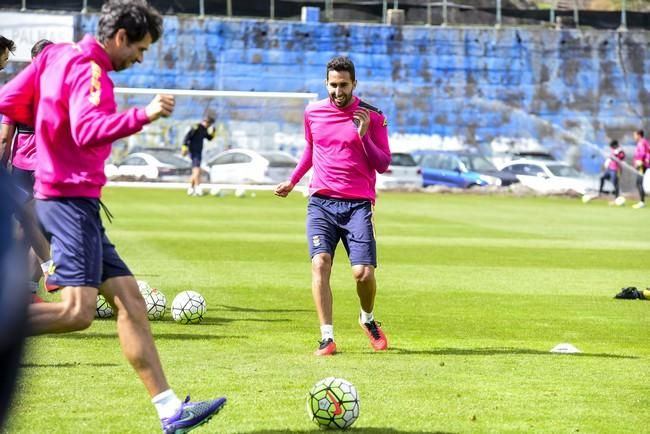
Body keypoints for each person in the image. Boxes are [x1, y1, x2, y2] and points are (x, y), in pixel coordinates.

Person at [0, 1, 226, 432]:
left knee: (130, 301)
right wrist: (145, 114)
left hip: (70, 199)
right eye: (139, 48)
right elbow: (87, 130)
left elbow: (9, 99)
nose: (140, 58)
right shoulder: (92, 72)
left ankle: (170, 410)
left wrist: (50, 125)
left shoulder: (55, 55)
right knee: (76, 312)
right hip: (69, 202)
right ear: (120, 37)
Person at [275, 56, 391, 356]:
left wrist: (364, 137)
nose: (338, 91)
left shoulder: (373, 116)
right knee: (320, 262)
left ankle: (367, 318)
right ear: (326, 83)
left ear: (355, 84)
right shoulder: (313, 112)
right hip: (321, 203)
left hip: (358, 205)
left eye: (343, 85)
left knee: (363, 274)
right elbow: (312, 150)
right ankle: (327, 337)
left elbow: (383, 165)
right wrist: (292, 181)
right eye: (333, 85)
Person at [1, 39, 56, 302]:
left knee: (28, 225)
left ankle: (29, 287)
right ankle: (43, 274)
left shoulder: (17, 90)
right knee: (37, 227)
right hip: (50, 171)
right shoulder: (61, 92)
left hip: (21, 169)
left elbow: (4, 139)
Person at [181, 115, 215, 196]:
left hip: (198, 152)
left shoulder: (204, 130)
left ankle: (191, 188)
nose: (208, 125)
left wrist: (213, 132)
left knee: (195, 170)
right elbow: (187, 137)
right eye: (208, 124)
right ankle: (198, 187)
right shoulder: (196, 127)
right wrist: (184, 148)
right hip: (193, 151)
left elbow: (209, 138)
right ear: (205, 121)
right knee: (197, 170)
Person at [632, 129, 650, 209]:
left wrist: (640, 161)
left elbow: (643, 153)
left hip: (642, 165)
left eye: (635, 135)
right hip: (641, 165)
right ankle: (641, 201)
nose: (634, 137)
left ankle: (642, 202)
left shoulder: (642, 142)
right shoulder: (642, 142)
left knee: (639, 182)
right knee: (638, 182)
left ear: (639, 135)